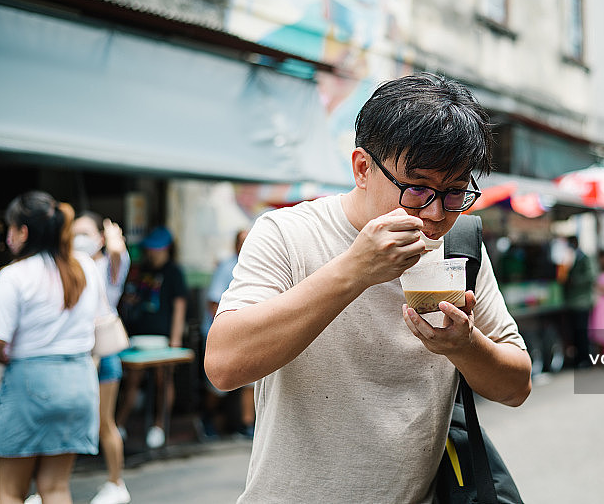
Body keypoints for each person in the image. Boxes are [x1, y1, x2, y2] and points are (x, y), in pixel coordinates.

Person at [204, 73, 533, 503]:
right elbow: (224, 365)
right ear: (362, 168)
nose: (436, 213)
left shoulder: (459, 247)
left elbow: (516, 386)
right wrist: (355, 270)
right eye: (417, 189)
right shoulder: (288, 233)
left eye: (454, 194)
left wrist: (464, 345)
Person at [0, 191, 101, 503]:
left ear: (23, 232)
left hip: (30, 384)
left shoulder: (13, 275)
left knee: (10, 491)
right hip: (80, 382)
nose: (7, 237)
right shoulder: (84, 266)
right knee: (55, 487)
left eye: (9, 229)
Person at [72, 212, 132, 504]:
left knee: (103, 422)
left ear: (99, 237)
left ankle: (116, 484)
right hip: (76, 353)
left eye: (84, 233)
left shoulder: (109, 265)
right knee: (68, 422)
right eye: (73, 234)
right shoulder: (67, 266)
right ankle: (51, 484)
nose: (77, 239)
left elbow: (119, 253)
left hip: (103, 351)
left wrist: (113, 239)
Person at [116, 226, 187, 449]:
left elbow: (179, 306)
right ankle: (119, 424)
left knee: (162, 381)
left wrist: (175, 340)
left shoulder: (174, 272)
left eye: (156, 249)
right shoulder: (142, 269)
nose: (152, 253)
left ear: (166, 249)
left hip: (162, 338)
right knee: (132, 381)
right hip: (138, 336)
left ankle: (159, 426)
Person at [200, 229, 254, 438]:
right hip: (224, 335)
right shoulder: (227, 267)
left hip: (248, 334)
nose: (246, 244)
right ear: (235, 245)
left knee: (252, 379)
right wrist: (229, 330)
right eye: (242, 241)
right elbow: (213, 304)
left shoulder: (257, 264)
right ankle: (207, 417)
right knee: (218, 384)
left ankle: (247, 425)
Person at [560, 236, 595, 367]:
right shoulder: (571, 257)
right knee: (574, 332)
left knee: (582, 332)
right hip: (573, 302)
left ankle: (584, 358)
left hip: (582, 302)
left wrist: (574, 280)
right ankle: (578, 358)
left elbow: (590, 276)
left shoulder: (584, 258)